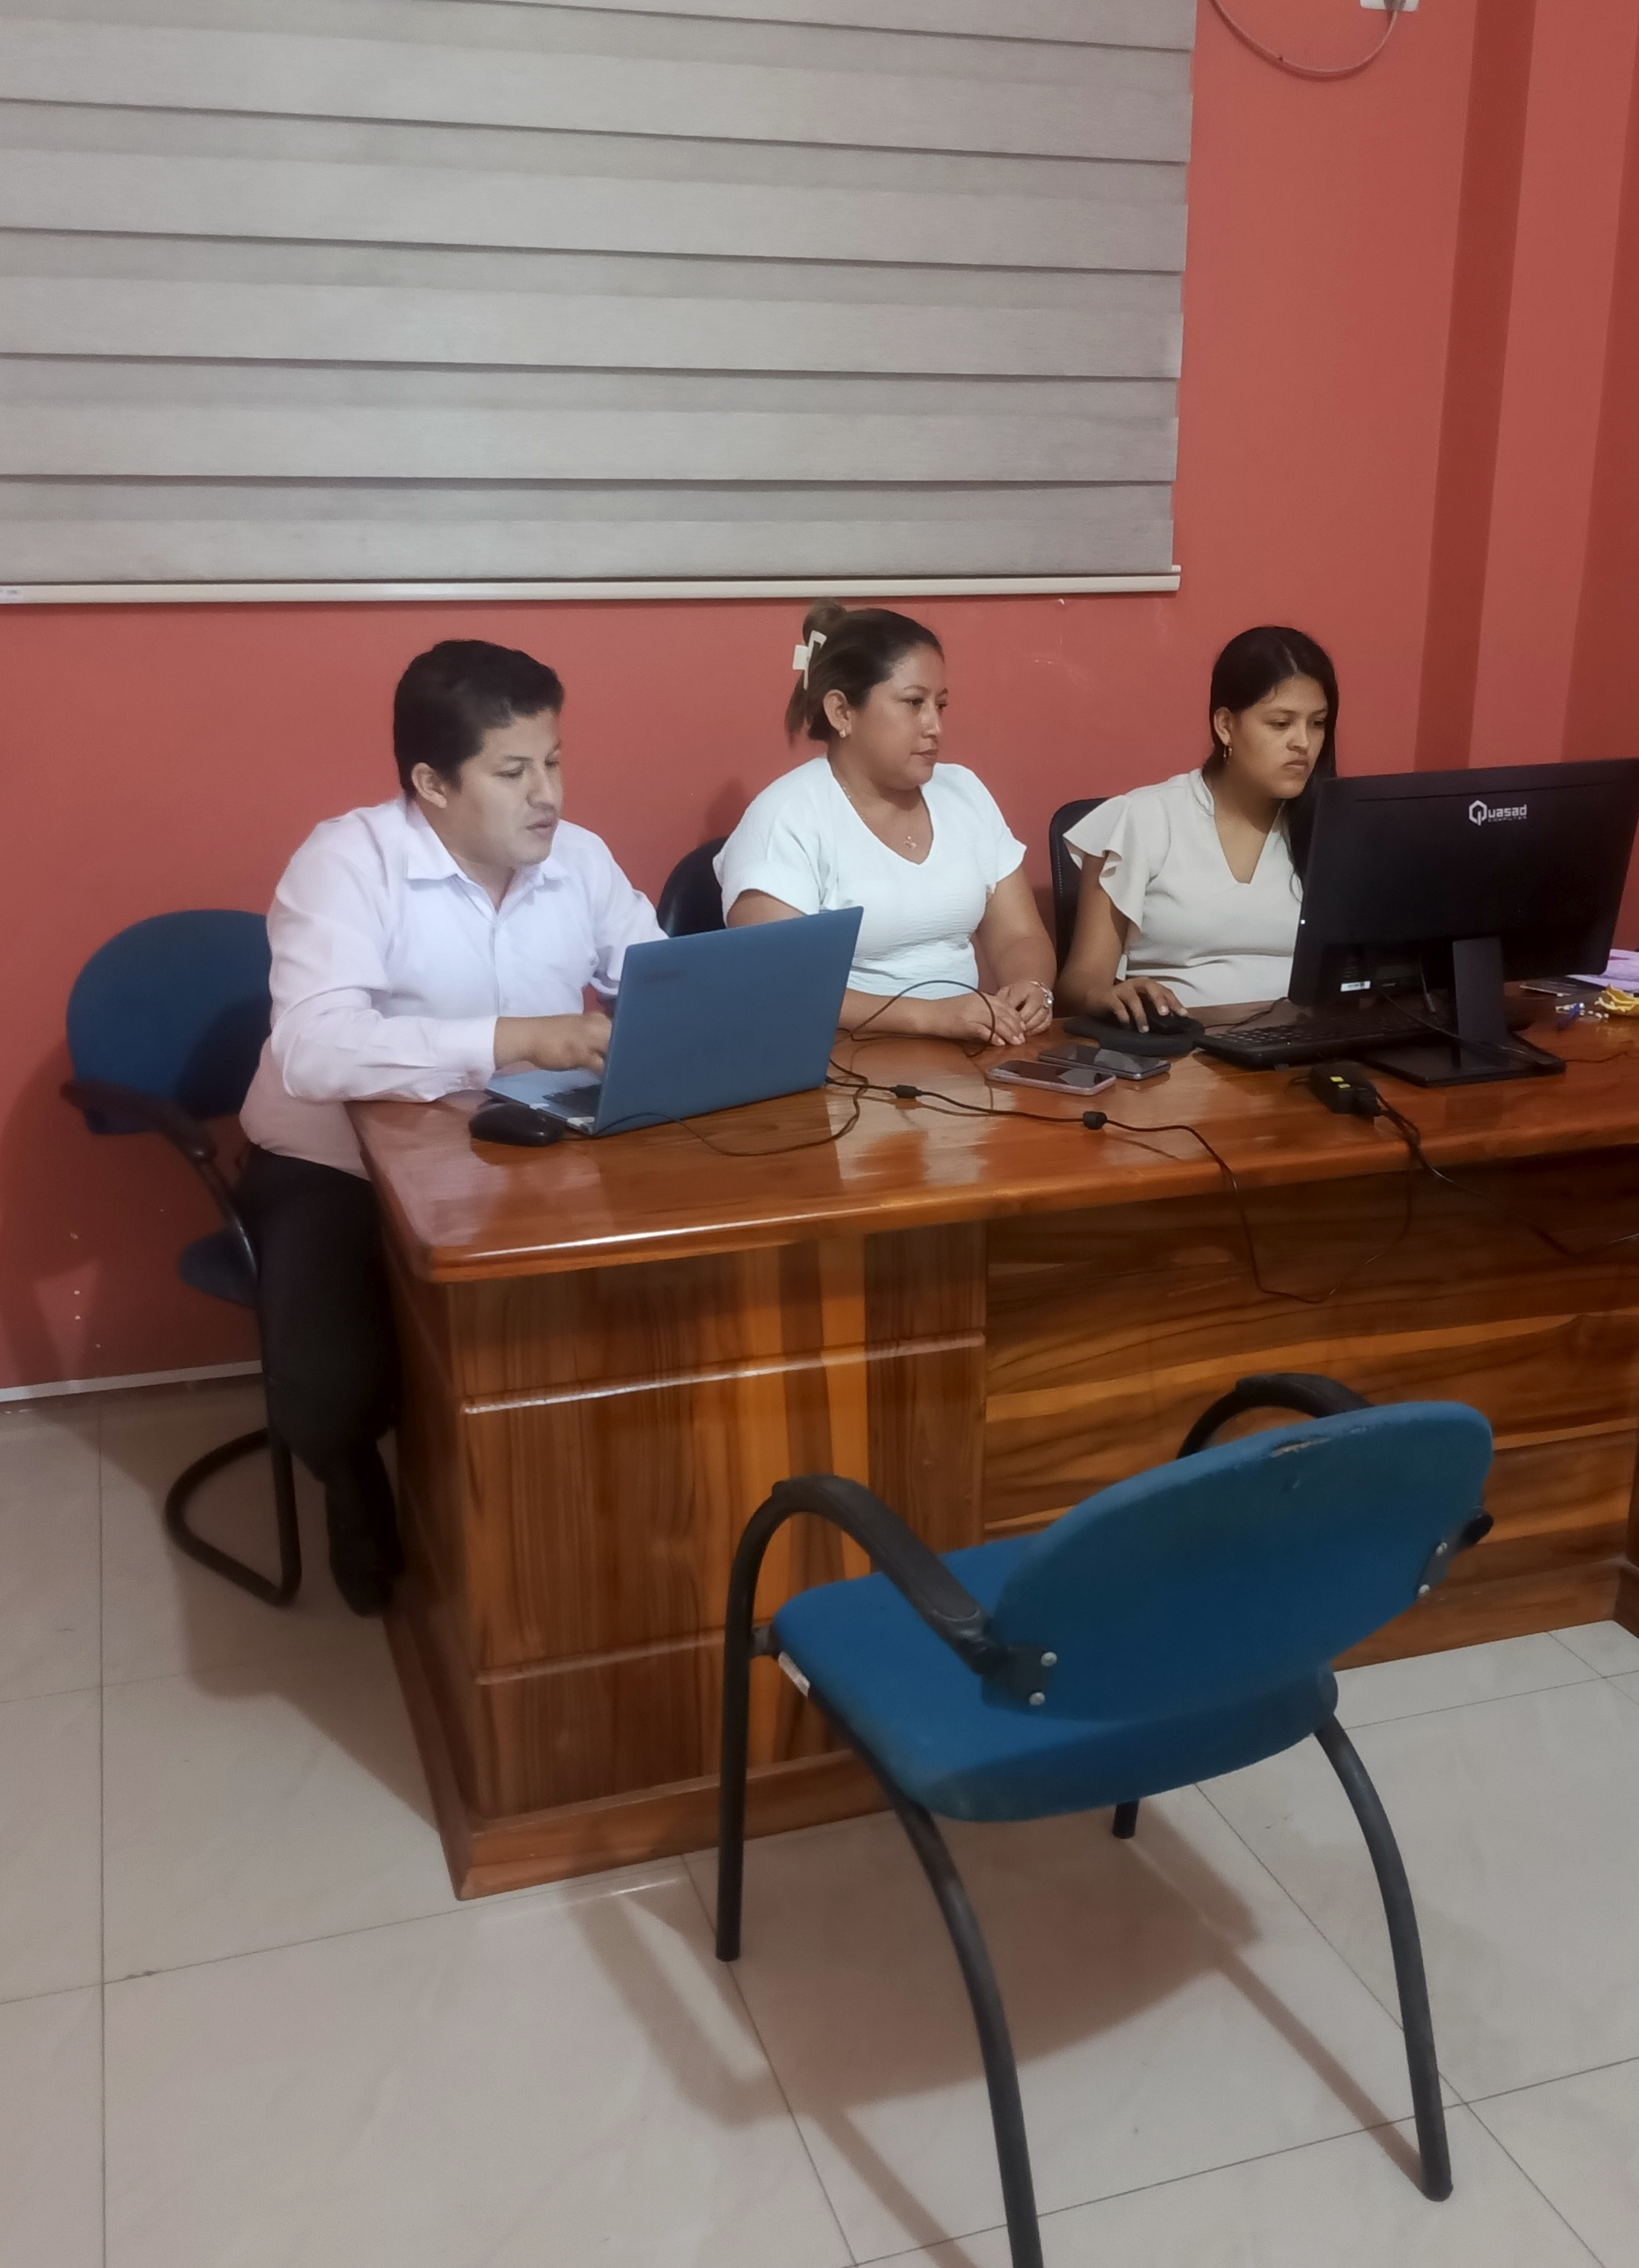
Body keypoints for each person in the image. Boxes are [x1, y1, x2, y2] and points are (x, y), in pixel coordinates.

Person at [238, 640, 662, 1613]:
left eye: (554, 761)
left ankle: (562, 1508)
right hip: (335, 1165)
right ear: (431, 782)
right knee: (331, 1388)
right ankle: (351, 1473)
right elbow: (313, 1049)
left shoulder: (581, 860)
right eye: (513, 773)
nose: (547, 795)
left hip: (526, 1149)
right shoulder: (347, 863)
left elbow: (658, 977)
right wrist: (511, 1037)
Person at [716, 602, 1056, 1044]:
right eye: (913, 703)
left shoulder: (964, 791)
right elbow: (781, 983)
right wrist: (930, 1017)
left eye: (941, 705)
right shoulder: (787, 816)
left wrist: (1032, 988)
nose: (935, 726)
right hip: (844, 1062)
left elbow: (1019, 935)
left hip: (970, 1051)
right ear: (842, 712)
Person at [1055, 625, 1339, 1031]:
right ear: (1225, 726)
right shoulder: (1142, 819)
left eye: (1317, 723)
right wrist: (1106, 995)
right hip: (1183, 1048)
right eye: (1280, 724)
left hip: (1307, 1043)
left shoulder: (1333, 827)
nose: (1304, 743)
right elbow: (1079, 982)